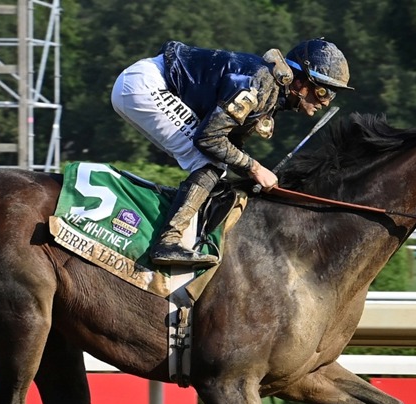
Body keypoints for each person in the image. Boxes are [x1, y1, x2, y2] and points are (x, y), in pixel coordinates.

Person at [112, 38, 351, 267]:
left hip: (144, 83)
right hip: (147, 86)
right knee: (208, 162)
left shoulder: (270, 90)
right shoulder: (260, 82)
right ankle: (168, 242)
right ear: (300, 82)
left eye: (332, 95)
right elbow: (209, 139)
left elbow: (230, 144)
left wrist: (251, 173)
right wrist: (255, 169)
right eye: (323, 92)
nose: (325, 102)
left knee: (217, 164)